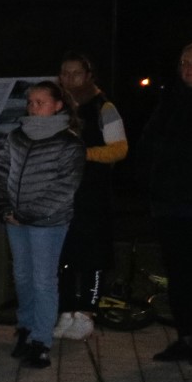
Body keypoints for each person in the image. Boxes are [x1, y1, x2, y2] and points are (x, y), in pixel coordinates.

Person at [0, 80, 85, 369]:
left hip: (48, 222)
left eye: (40, 102)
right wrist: (7, 207)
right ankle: (26, 327)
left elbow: (64, 188)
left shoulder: (68, 142)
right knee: (22, 275)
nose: (33, 108)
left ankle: (41, 341)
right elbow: (3, 171)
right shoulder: (17, 136)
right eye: (30, 102)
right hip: (16, 219)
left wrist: (30, 213)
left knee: (43, 279)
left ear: (58, 105)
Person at [55, 52, 128, 340]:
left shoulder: (103, 107)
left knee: (92, 254)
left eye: (75, 73)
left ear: (88, 76)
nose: (69, 79)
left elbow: (120, 149)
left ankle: (87, 312)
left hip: (92, 194)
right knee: (63, 254)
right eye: (64, 73)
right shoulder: (56, 106)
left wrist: (85, 154)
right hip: (62, 193)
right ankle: (66, 310)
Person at [139, 43, 192, 362]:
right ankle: (186, 337)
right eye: (183, 61)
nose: (187, 67)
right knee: (180, 274)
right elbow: (150, 143)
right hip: (170, 205)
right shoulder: (170, 100)